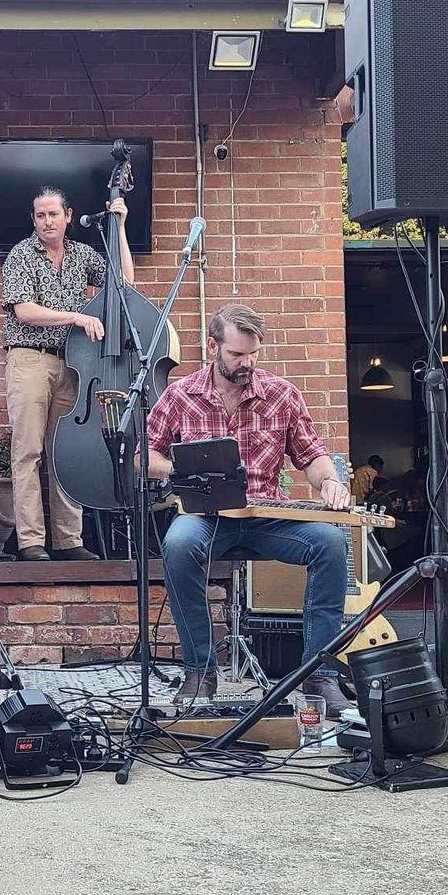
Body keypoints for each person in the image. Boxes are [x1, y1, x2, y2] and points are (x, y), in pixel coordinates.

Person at [147, 303, 354, 714]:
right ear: (213, 347)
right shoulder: (180, 394)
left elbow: (311, 455)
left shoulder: (282, 394)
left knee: (330, 543)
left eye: (253, 354)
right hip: (205, 516)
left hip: (266, 515)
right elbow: (144, 455)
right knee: (178, 545)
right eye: (236, 354)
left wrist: (330, 481)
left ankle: (319, 675)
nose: (247, 363)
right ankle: (200, 672)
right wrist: (181, 470)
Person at [0, 187, 135, 561]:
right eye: (40, 215)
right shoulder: (21, 254)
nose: (47, 221)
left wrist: (120, 226)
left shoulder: (80, 254)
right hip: (30, 358)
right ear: (33, 219)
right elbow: (24, 311)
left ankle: (68, 539)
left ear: (68, 216)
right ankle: (31, 541)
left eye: (53, 214)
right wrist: (76, 316)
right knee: (28, 451)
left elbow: (124, 282)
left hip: (73, 363)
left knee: (64, 451)